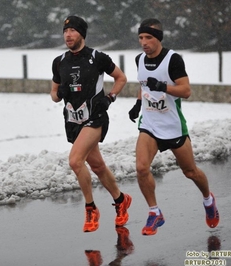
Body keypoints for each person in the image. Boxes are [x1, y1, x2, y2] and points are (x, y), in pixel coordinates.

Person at [128, 18, 220, 236]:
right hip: (149, 124)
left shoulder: (172, 60)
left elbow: (186, 90)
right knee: (141, 168)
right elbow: (143, 85)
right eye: (141, 38)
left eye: (148, 37)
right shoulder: (139, 59)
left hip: (173, 126)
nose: (144, 42)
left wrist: (162, 86)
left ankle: (208, 199)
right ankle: (154, 212)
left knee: (190, 172)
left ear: (158, 38)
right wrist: (138, 103)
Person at [50, 15, 132, 233]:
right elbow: (54, 95)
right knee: (96, 166)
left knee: (76, 161)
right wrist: (60, 93)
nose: (68, 35)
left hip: (95, 117)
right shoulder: (59, 62)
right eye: (65, 31)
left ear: (82, 34)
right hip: (73, 121)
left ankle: (91, 208)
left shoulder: (97, 57)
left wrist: (110, 97)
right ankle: (121, 199)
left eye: (73, 31)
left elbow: (121, 78)